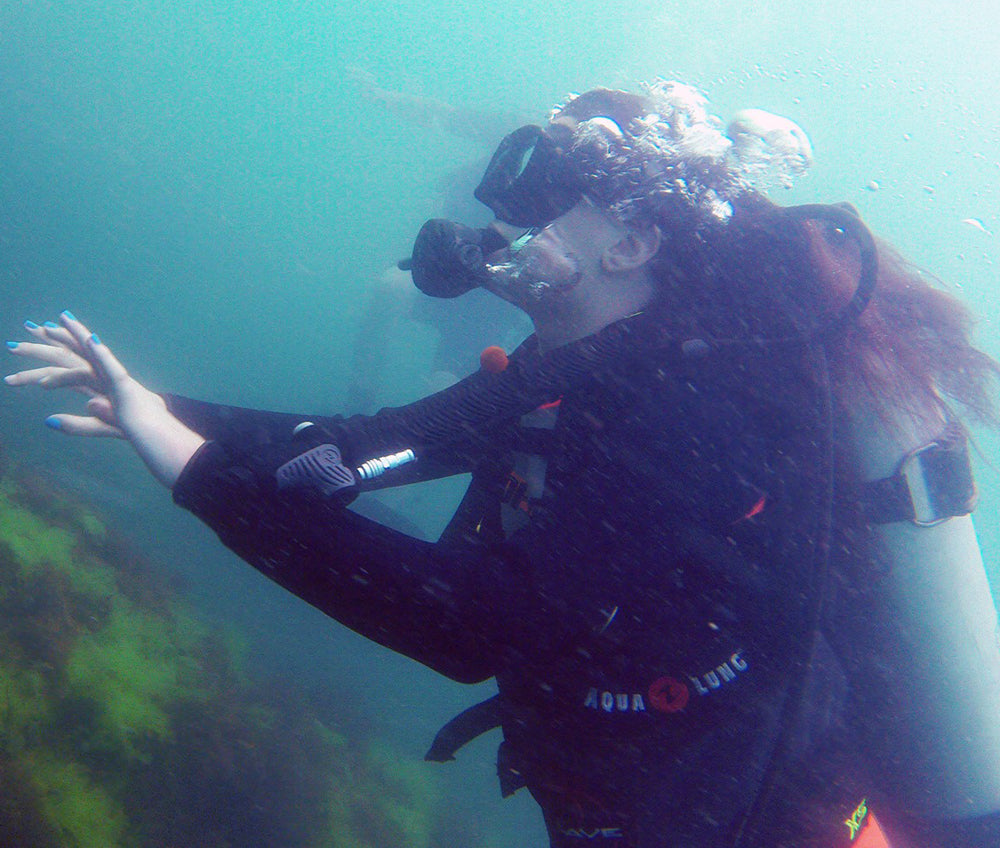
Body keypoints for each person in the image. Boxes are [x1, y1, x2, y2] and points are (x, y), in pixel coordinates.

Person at [7, 81, 1000, 847]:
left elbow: (472, 623)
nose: (503, 219)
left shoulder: (692, 415)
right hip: (622, 795)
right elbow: (367, 443)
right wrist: (153, 404)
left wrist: (194, 473)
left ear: (630, 243)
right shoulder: (560, 373)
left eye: (549, 197)